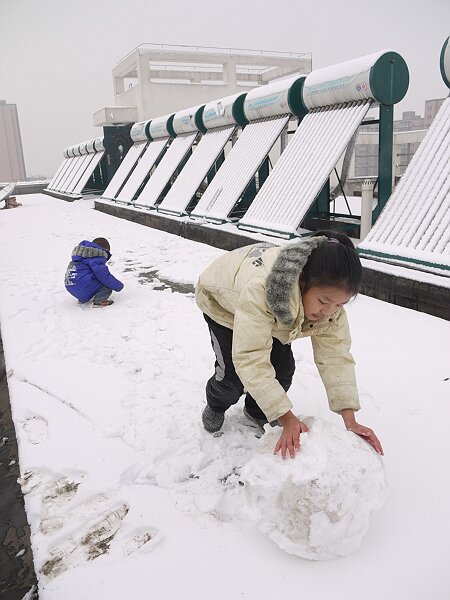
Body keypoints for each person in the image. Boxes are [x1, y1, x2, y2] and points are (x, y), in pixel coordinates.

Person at [195, 230, 383, 460]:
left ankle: (257, 411)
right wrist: (286, 417)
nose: (328, 312)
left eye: (339, 304)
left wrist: (349, 418)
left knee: (282, 370)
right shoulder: (261, 290)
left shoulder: (330, 310)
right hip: (224, 306)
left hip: (277, 313)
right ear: (302, 280)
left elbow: (336, 356)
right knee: (233, 377)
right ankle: (216, 405)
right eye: (323, 301)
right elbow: (251, 358)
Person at [64, 237, 124, 307]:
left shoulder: (80, 257)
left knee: (87, 277)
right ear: (104, 250)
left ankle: (82, 299)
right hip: (83, 286)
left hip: (71, 286)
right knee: (107, 284)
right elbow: (105, 277)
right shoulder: (96, 258)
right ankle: (99, 301)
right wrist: (118, 286)